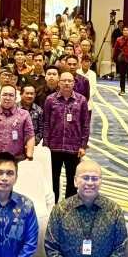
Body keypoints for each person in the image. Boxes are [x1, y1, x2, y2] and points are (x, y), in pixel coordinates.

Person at [43, 71, 90, 203]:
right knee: (53, 178)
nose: (67, 83)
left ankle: (69, 207)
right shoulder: (50, 100)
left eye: (70, 81)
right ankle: (53, 206)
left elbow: (85, 124)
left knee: (72, 179)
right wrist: (46, 144)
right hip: (54, 146)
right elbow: (46, 123)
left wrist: (83, 145)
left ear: (74, 83)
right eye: (64, 81)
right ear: (59, 82)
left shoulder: (81, 100)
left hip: (74, 147)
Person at [0, 84, 35, 161]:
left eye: (11, 95)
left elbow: (30, 136)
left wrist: (29, 157)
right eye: (4, 95)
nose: (7, 98)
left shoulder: (24, 114)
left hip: (17, 159)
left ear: (15, 98)